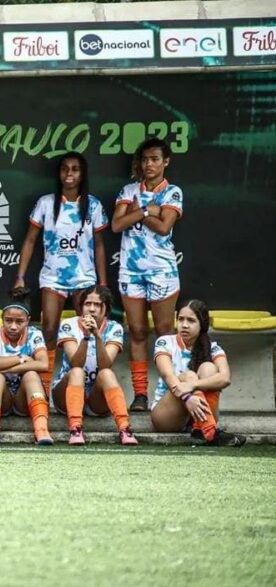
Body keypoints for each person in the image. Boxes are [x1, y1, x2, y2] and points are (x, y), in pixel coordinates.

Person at [12, 152, 108, 394]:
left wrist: (103, 284)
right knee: (49, 330)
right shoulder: (46, 203)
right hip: (53, 277)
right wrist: (20, 276)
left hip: (84, 278)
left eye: (75, 169)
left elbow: (99, 245)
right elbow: (30, 240)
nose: (69, 174)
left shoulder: (93, 205)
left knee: (86, 328)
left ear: (82, 174)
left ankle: (85, 384)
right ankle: (44, 387)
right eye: (65, 169)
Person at [111, 138, 184, 412]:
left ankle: (170, 391)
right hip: (131, 270)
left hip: (162, 270)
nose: (149, 164)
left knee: (165, 332)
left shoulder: (172, 192)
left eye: (154, 159)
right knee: (138, 331)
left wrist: (136, 214)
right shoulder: (129, 190)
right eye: (145, 160)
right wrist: (145, 210)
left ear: (165, 161)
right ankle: (140, 395)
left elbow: (165, 227)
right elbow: (117, 224)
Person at [51, 285, 138, 446]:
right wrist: (85, 337)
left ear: (106, 309)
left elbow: (105, 364)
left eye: (97, 305)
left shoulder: (114, 328)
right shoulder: (69, 324)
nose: (91, 309)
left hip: (97, 400)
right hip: (66, 394)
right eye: (87, 304)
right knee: (77, 371)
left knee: (107, 374)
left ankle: (125, 429)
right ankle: (76, 429)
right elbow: (75, 363)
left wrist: (97, 336)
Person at [151, 300, 246, 446]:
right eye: (181, 319)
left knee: (208, 367)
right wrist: (188, 397)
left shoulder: (213, 348)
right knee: (188, 375)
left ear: (202, 325)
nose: (184, 325)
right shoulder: (165, 342)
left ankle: (200, 430)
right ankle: (211, 432)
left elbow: (225, 378)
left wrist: (193, 386)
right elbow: (168, 375)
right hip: (167, 415)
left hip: (198, 411)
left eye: (191, 320)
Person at [0, 301, 52, 445]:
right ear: (2, 319)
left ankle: (42, 430)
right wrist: (20, 359)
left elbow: (43, 364)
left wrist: (2, 366)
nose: (13, 326)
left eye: (19, 321)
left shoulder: (34, 334)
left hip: (23, 399)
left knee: (31, 374)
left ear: (28, 321)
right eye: (8, 321)